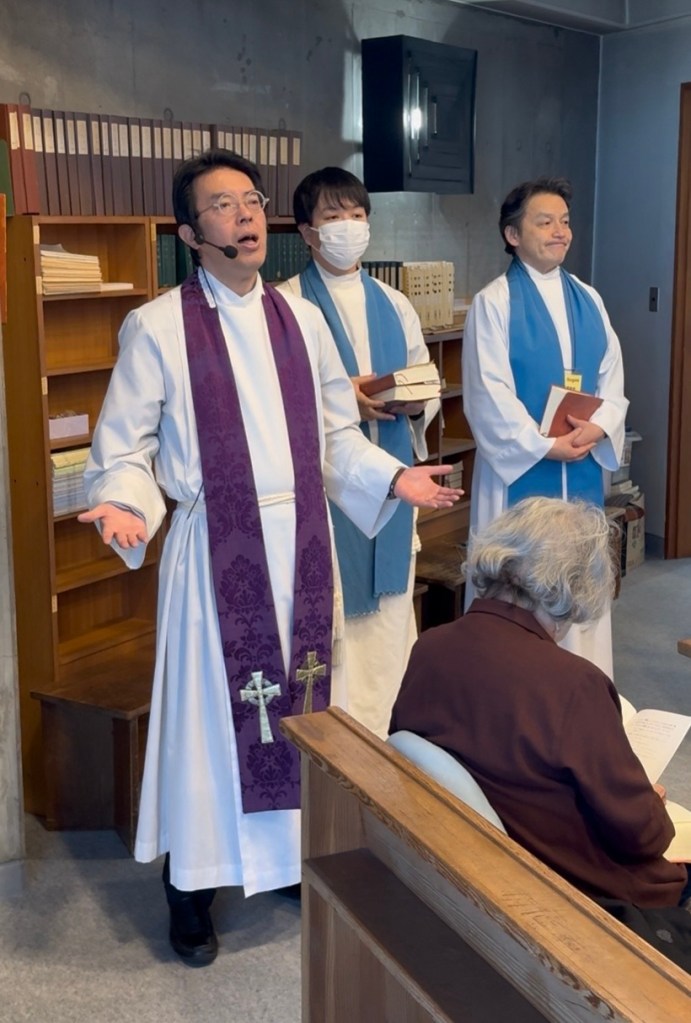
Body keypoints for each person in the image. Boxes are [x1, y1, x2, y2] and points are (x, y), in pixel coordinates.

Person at [78, 149, 461, 968]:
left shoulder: (301, 320)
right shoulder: (157, 326)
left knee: (298, 710)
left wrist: (394, 477)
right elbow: (125, 446)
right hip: (217, 553)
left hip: (301, 547)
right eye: (222, 204)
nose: (245, 214)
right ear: (189, 234)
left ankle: (285, 859)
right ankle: (191, 889)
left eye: (251, 199)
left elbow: (334, 438)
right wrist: (126, 501)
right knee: (210, 723)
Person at [390, 497, 691, 971]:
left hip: (475, 852)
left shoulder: (431, 645)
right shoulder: (573, 684)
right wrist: (652, 803)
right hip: (571, 886)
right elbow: (642, 838)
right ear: (578, 585)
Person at [278, 167, 441, 738]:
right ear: (306, 231)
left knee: (391, 627)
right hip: (328, 490)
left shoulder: (395, 303)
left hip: (394, 477)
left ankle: (392, 734)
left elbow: (424, 377)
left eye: (356, 215)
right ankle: (342, 739)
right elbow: (281, 395)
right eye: (332, 216)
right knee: (335, 627)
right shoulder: (286, 304)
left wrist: (414, 404)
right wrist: (343, 397)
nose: (348, 226)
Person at [462, 177, 629, 678]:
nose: (561, 231)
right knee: (519, 588)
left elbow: (612, 379)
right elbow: (487, 392)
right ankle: (510, 697)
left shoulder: (589, 299)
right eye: (545, 222)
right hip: (522, 474)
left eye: (565, 222)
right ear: (513, 235)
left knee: (578, 585)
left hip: (579, 468)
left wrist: (598, 428)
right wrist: (543, 445)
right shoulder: (494, 303)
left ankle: (581, 690)